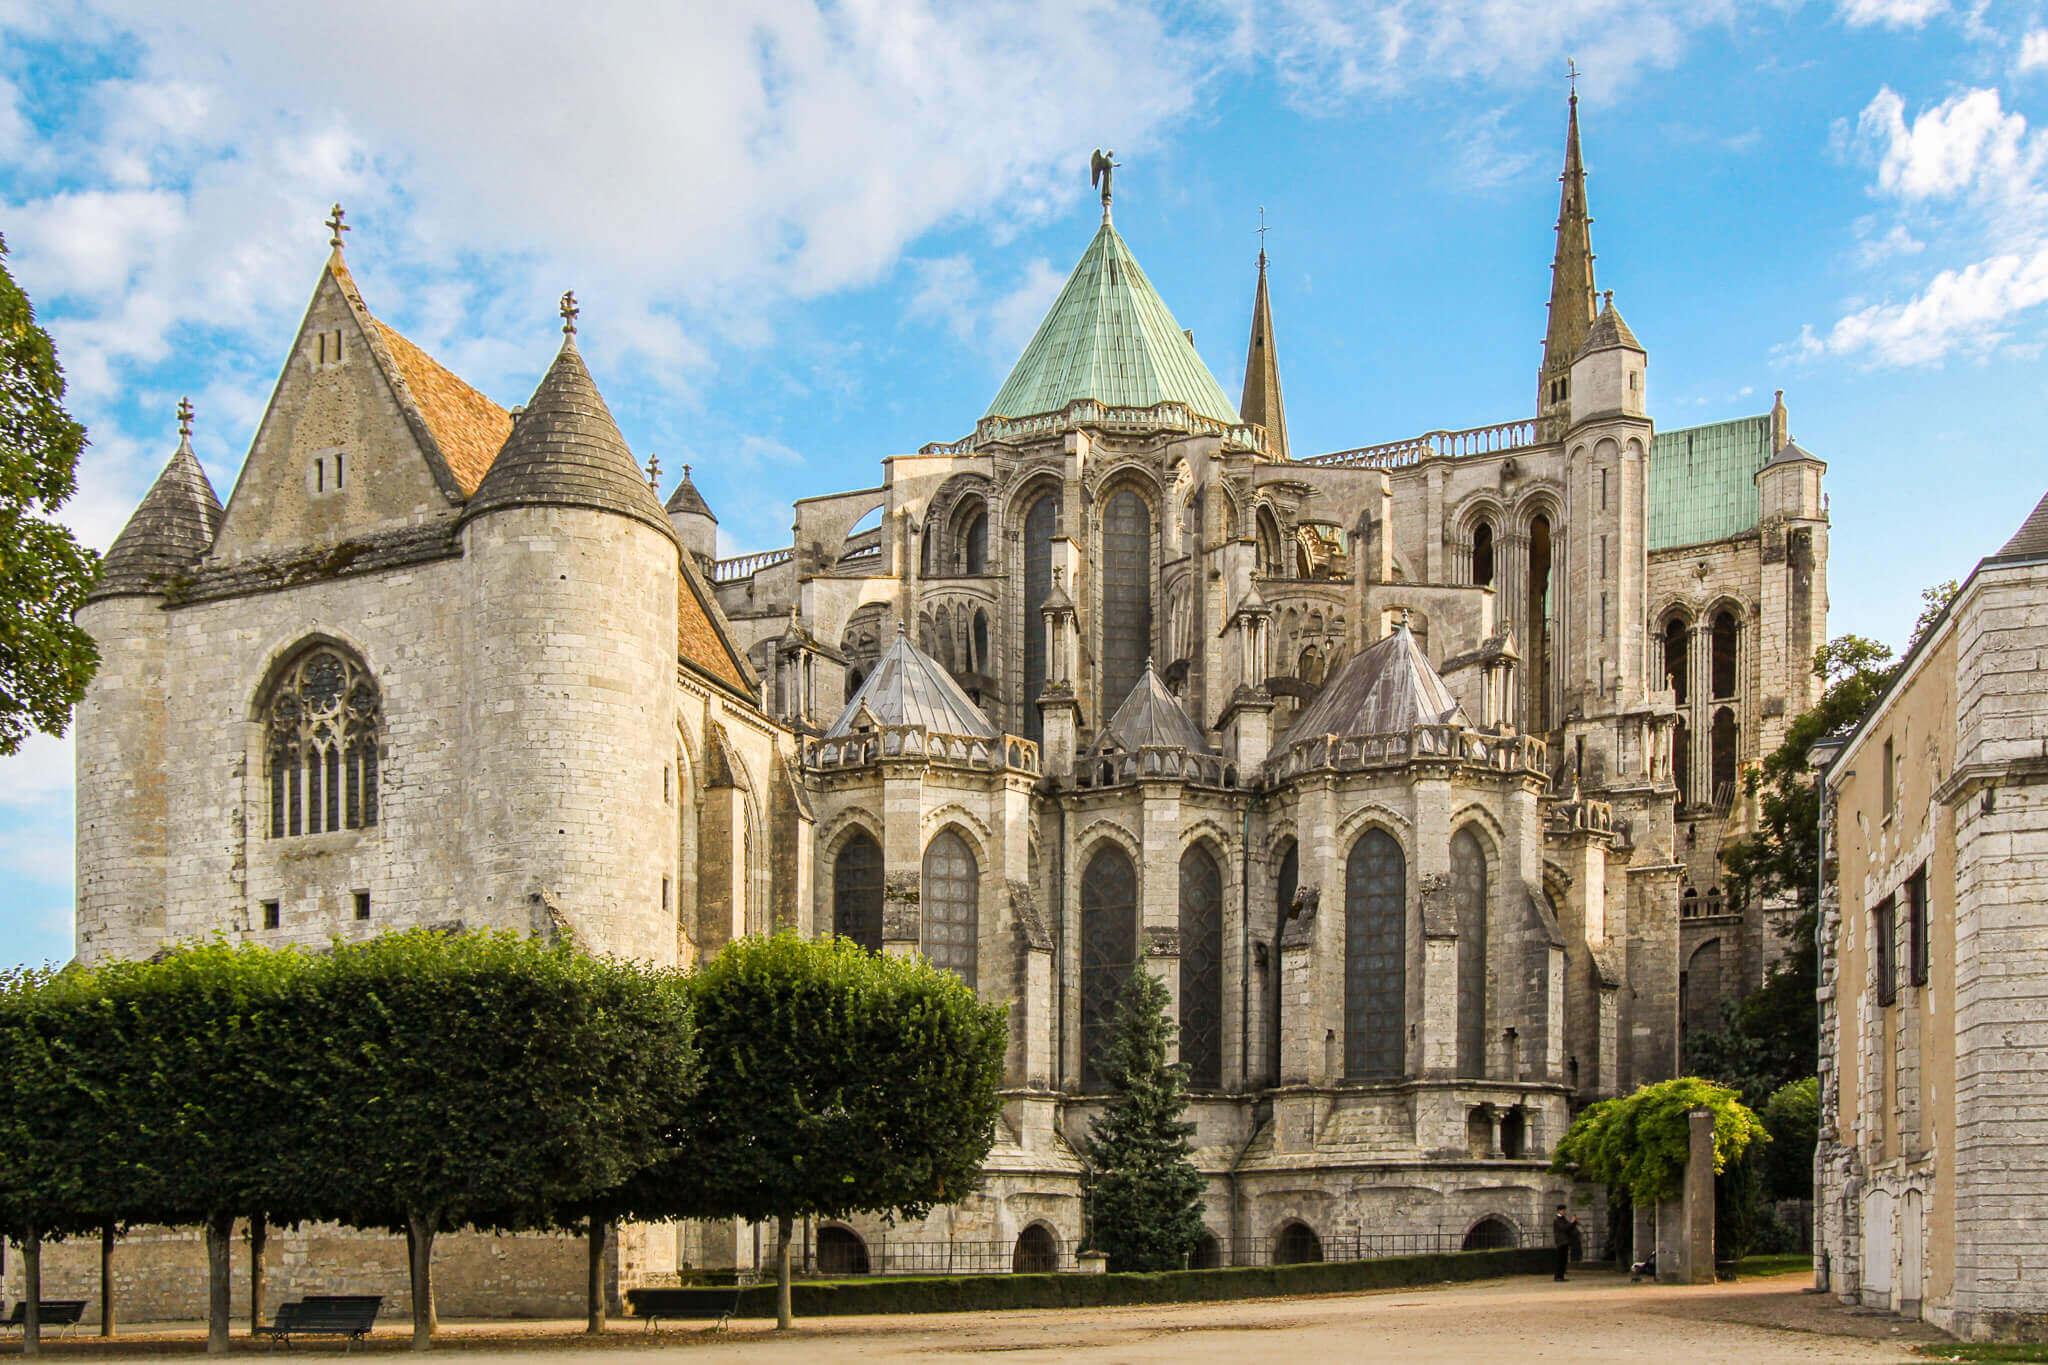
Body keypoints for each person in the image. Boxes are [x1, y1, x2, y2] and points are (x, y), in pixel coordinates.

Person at [1552, 1204, 1577, 1281]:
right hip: (1561, 1242)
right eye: (1563, 1210)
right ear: (1559, 1211)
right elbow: (1564, 1228)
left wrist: (1574, 1222)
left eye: (1564, 1210)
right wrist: (1571, 1222)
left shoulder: (1563, 1219)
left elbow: (1569, 1228)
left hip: (1565, 1241)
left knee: (1564, 1260)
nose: (1564, 1212)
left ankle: (1561, 1276)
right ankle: (1557, 1276)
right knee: (1560, 1260)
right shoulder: (1557, 1219)